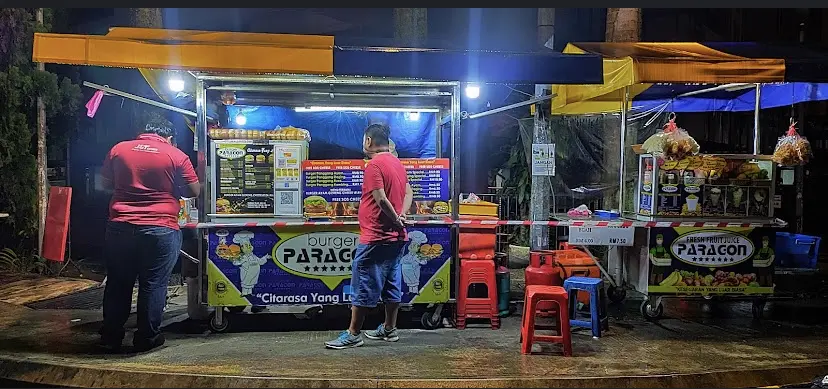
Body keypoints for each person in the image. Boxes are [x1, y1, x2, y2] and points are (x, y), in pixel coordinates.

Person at [99, 115, 201, 352]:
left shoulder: (119, 149)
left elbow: (104, 184)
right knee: (153, 284)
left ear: (143, 132)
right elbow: (193, 191)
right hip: (161, 228)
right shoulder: (176, 155)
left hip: (120, 225)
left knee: (118, 283)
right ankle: (147, 338)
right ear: (170, 137)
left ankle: (110, 336)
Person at [325, 123, 413, 349]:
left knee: (363, 281)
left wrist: (395, 218)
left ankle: (353, 334)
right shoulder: (397, 163)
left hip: (376, 236)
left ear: (368, 141)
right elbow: (410, 191)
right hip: (396, 236)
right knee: (391, 281)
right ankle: (390, 328)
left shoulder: (374, 165)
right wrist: (401, 215)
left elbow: (381, 199)